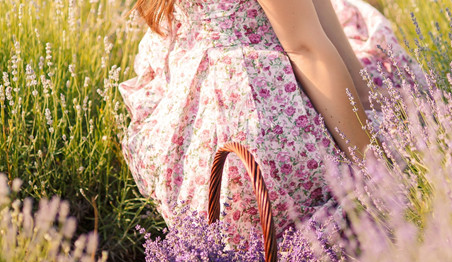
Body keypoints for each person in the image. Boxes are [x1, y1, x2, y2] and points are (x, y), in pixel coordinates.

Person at [119, 0, 422, 242]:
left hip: (187, 111)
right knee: (369, 35)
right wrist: (375, 170)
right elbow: (306, 48)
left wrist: (366, 98)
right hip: (249, 118)